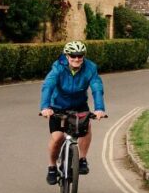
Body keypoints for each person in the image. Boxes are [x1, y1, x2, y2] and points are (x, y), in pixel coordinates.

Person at [39, 40, 108, 185]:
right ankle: (52, 167)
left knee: (87, 127)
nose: (77, 59)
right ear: (67, 55)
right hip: (57, 106)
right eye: (73, 56)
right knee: (57, 138)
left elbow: (97, 88)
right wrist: (45, 107)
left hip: (79, 105)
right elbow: (48, 86)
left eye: (80, 56)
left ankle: (82, 159)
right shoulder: (58, 67)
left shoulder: (90, 68)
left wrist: (99, 109)